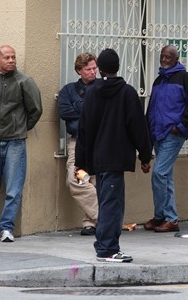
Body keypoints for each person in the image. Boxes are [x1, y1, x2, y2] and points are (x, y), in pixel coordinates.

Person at [75, 48, 152, 262]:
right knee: (112, 205)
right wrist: (145, 156)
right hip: (116, 158)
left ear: (99, 68)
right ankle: (108, 249)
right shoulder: (127, 92)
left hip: (97, 158)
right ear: (118, 67)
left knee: (107, 202)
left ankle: (104, 244)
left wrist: (79, 162)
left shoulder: (91, 92)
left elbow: (83, 129)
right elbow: (138, 127)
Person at [0, 45, 43, 242]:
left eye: (13, 57)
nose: (11, 60)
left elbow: (36, 110)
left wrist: (21, 128)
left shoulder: (25, 81)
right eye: (6, 57)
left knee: (13, 188)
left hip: (15, 141)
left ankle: (6, 228)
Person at [145, 45, 188, 233]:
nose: (165, 59)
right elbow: (152, 107)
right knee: (165, 176)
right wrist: (148, 130)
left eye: (169, 56)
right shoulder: (158, 80)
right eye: (162, 56)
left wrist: (182, 126)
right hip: (157, 133)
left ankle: (169, 218)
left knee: (159, 173)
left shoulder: (185, 78)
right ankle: (163, 216)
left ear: (176, 58)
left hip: (173, 133)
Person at [58, 52, 99, 236]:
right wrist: (86, 109)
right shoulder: (68, 90)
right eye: (88, 69)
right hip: (78, 142)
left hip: (99, 141)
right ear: (79, 71)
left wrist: (80, 107)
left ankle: (90, 223)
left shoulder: (102, 87)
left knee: (96, 180)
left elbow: (102, 114)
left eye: (94, 68)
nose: (93, 72)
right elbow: (64, 112)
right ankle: (105, 217)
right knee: (77, 179)